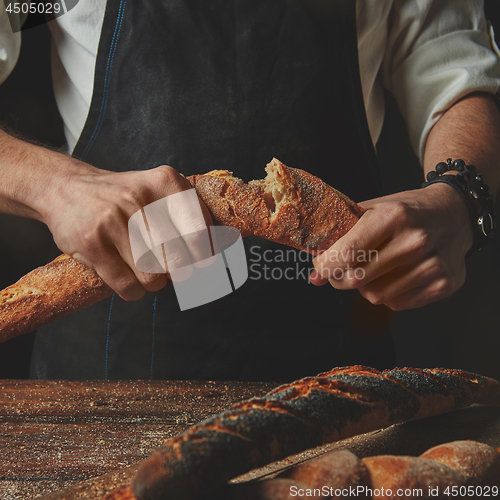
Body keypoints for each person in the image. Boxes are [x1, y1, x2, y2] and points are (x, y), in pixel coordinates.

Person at [0, 0, 499, 381]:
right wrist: (58, 184)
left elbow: (449, 58)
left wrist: (461, 196)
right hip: (113, 357)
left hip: (338, 358)